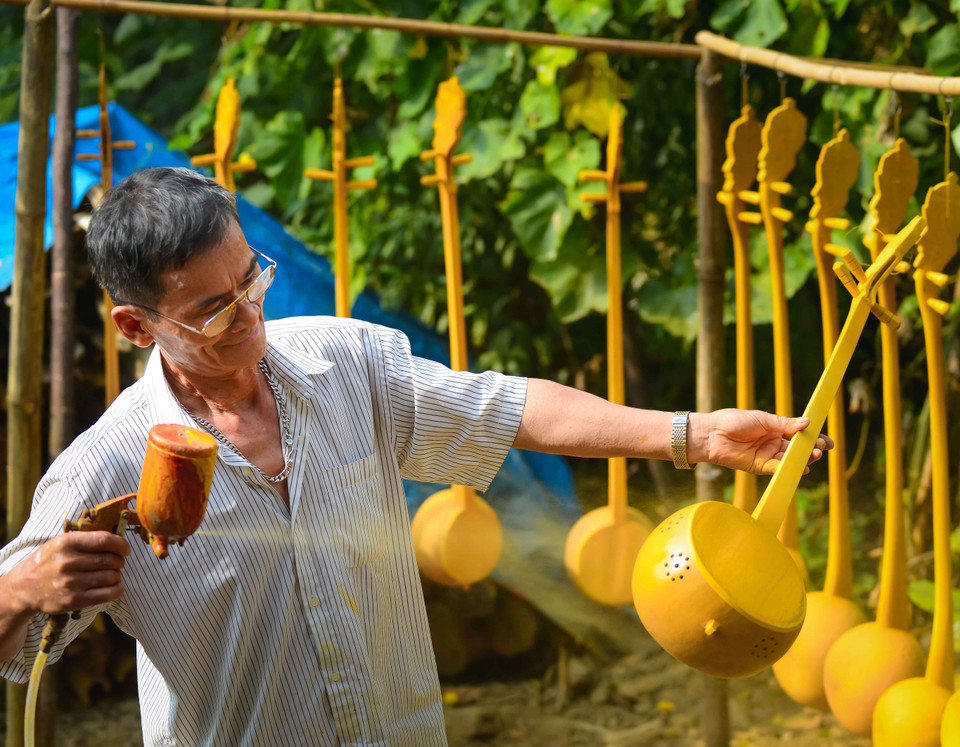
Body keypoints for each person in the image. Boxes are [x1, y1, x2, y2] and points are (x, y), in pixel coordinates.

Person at [0, 167, 830, 746]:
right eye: (215, 311)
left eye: (252, 280)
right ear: (136, 326)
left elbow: (511, 407)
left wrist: (693, 434)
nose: (250, 316)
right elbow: (12, 630)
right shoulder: (103, 466)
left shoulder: (346, 363)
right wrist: (27, 586)